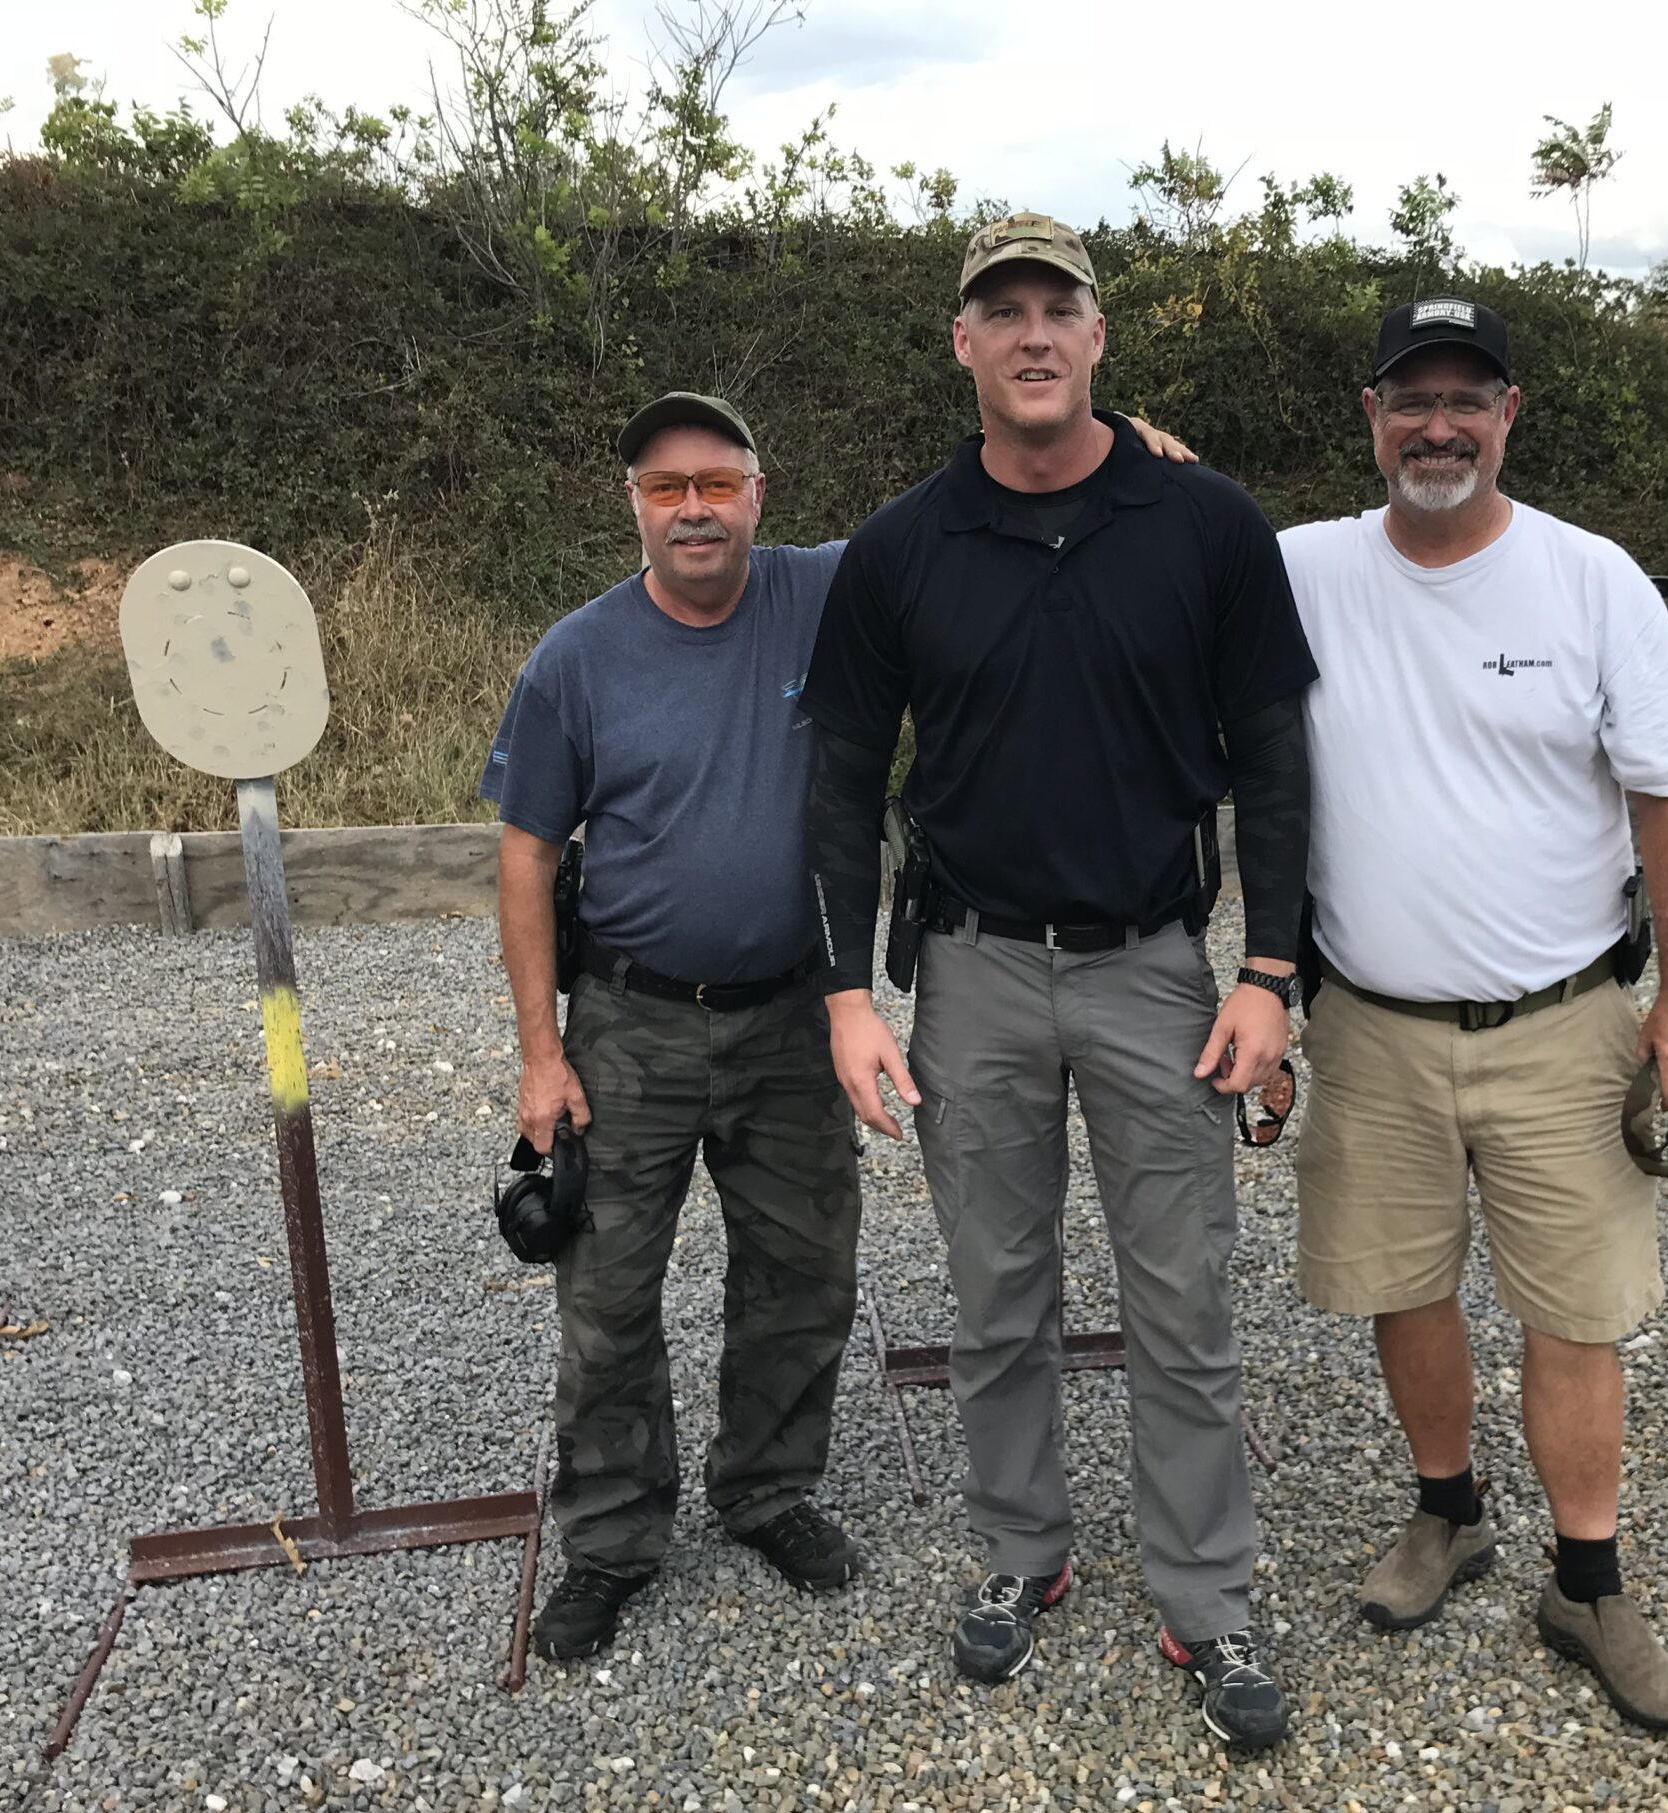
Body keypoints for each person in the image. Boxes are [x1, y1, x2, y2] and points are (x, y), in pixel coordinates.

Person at [485, 389, 1201, 1663]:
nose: (693, 508)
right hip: (631, 1024)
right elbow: (528, 852)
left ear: (760, 493)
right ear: (633, 507)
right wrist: (541, 1053)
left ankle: (765, 1492)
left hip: (795, 1017)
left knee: (802, 1278)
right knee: (608, 1297)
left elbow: (973, 503)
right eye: (665, 488)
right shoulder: (575, 659)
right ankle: (608, 1538)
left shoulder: (834, 588)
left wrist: (1107, 465)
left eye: (717, 481)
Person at [800, 212, 1316, 1750]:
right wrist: (844, 993)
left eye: (1058, 309)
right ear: (962, 344)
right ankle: (1026, 1554)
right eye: (1000, 312)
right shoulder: (903, 548)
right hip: (970, 975)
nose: (1032, 335)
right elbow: (837, 776)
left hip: (1159, 971)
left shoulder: (1204, 524)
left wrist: (1272, 969)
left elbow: (1276, 758)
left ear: (1100, 338)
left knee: (1183, 1296)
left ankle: (1208, 1596)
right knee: (997, 1297)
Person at [1281, 297, 1668, 1733]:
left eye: (1468, 399)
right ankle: (1448, 1513)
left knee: (1575, 1310)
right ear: (1372, 417)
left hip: (1563, 1019)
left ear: (1511, 414)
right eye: (1413, 400)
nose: (1439, 426)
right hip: (1372, 1025)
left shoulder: (1594, 584)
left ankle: (1587, 1581)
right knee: (1401, 1283)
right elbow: (1155, 528)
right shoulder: (1301, 571)